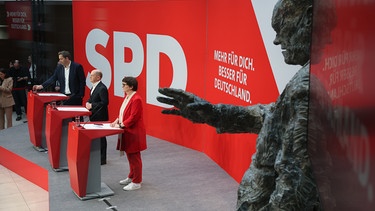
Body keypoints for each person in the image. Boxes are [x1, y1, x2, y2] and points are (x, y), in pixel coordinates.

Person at [157, 0, 336, 210]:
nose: (277, 40)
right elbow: (272, 116)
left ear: (307, 19)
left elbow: (293, 190)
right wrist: (213, 114)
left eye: (281, 27)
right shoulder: (312, 77)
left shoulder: (303, 89)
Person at [110, 76, 147, 191]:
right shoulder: (127, 97)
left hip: (134, 132)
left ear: (131, 86)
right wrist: (116, 121)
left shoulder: (136, 99)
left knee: (134, 157)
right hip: (127, 130)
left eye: (124, 85)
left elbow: (133, 117)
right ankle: (132, 176)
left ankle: (137, 181)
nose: (122, 87)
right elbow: (123, 113)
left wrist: (121, 125)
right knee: (129, 156)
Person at [85, 69, 109, 165]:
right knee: (96, 136)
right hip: (94, 115)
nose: (90, 77)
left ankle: (102, 158)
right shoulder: (93, 87)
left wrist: (92, 105)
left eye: (92, 75)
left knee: (101, 137)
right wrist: (88, 102)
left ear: (98, 77)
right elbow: (92, 98)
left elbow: (105, 102)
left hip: (100, 116)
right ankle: (97, 155)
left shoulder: (102, 88)